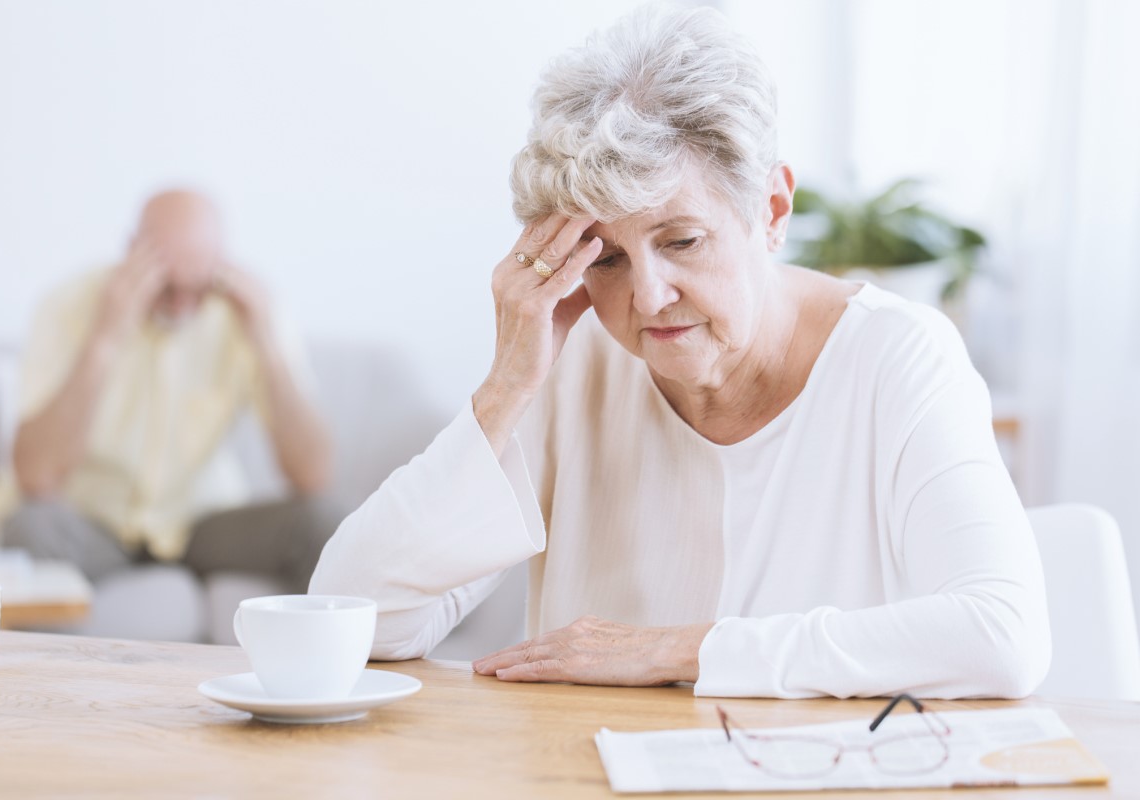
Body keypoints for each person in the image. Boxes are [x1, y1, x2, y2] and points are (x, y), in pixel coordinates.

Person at [309, 7, 1050, 698]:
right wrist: (505, 387)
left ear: (771, 212)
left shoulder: (898, 357)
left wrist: (681, 651)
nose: (649, 297)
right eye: (606, 259)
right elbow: (355, 619)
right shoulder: (575, 362)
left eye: (682, 242)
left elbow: (1002, 635)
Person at [0, 189, 340, 594]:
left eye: (197, 288)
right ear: (132, 251)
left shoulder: (248, 313)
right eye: (166, 287)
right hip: (92, 524)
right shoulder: (68, 304)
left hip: (198, 525)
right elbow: (35, 475)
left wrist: (266, 344)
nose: (179, 307)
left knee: (325, 521)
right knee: (29, 527)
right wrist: (104, 339)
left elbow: (315, 476)